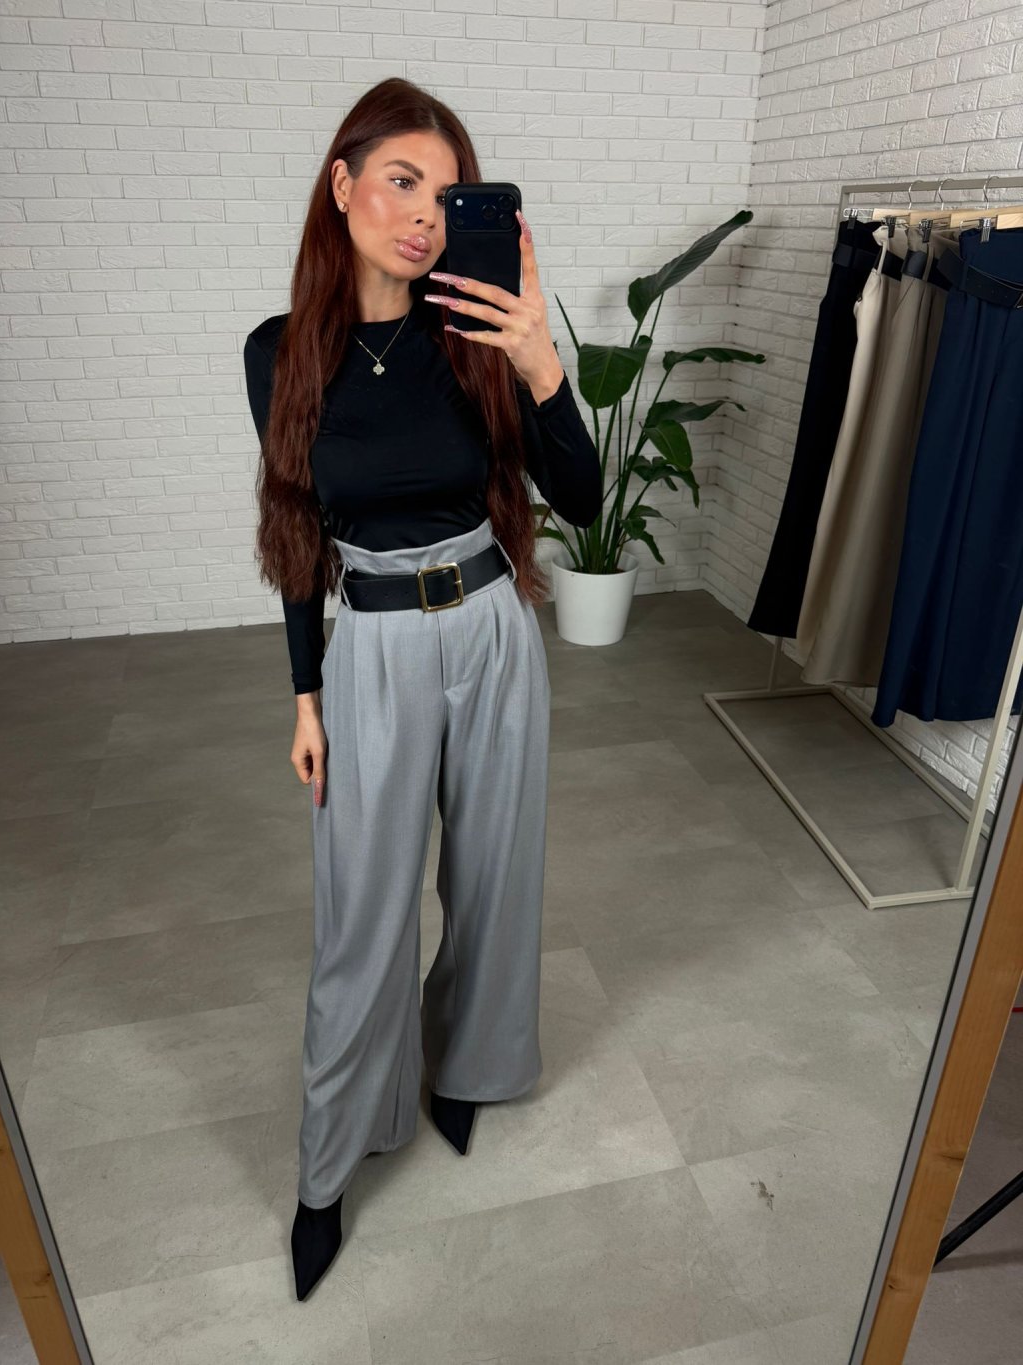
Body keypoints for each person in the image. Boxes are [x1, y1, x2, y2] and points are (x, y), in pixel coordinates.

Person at [242, 77, 602, 1302]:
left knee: (496, 881)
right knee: (362, 915)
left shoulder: (477, 341)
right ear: (342, 186)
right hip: (376, 649)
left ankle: (469, 1075)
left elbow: (582, 500)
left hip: (492, 629)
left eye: (449, 196)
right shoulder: (281, 354)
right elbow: (296, 533)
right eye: (402, 182)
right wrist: (306, 695)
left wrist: (540, 364)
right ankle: (327, 1168)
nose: (425, 215)